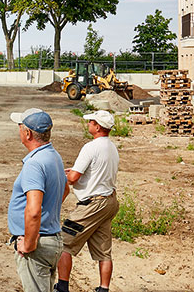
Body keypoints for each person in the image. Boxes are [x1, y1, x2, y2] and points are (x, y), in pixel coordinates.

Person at [55, 110, 120, 292]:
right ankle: (103, 288)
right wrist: (75, 172)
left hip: (92, 204)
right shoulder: (112, 147)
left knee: (64, 242)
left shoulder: (90, 147)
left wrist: (63, 175)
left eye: (91, 122)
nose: (88, 124)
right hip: (109, 201)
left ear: (97, 127)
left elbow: (74, 178)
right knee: (103, 250)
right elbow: (96, 173)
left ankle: (62, 287)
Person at [8, 108, 69, 292]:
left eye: (20, 127)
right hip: (51, 239)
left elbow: (33, 210)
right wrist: (49, 211)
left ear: (27, 133)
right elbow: (65, 189)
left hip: (38, 245)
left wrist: (29, 242)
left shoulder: (34, 164)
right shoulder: (53, 156)